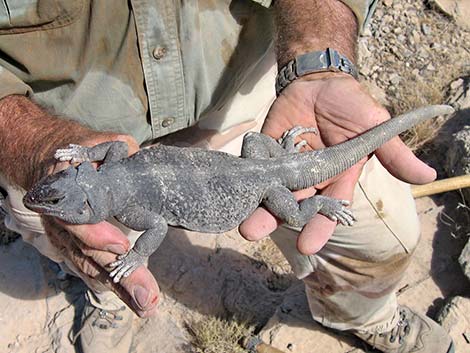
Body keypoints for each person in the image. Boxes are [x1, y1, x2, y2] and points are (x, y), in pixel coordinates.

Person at [0, 1, 454, 352]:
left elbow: (156, 225)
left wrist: (316, 64)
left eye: (60, 198)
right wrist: (58, 147)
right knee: (72, 242)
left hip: (250, 116)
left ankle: (365, 313)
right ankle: (103, 294)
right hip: (68, 118)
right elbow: (116, 147)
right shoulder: (113, 167)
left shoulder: (126, 201)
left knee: (317, 218)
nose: (56, 200)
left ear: (86, 176)